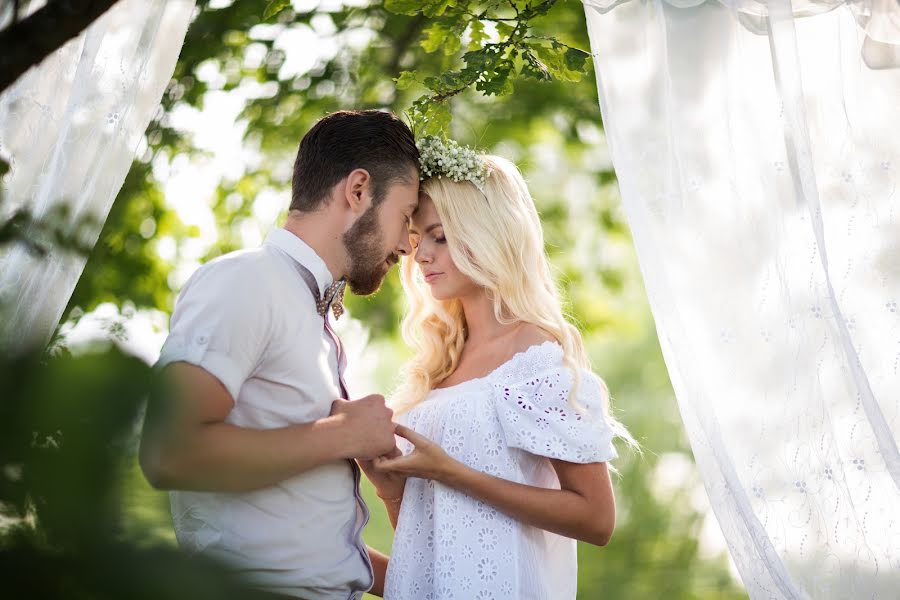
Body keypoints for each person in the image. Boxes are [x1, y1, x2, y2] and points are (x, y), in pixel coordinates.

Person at [139, 109, 420, 599]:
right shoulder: (244, 282)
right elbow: (169, 452)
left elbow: (299, 532)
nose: (407, 244)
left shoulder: (318, 316)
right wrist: (341, 435)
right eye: (405, 216)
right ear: (358, 190)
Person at [360, 139, 635, 599]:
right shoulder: (437, 368)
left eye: (440, 236)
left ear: (487, 233)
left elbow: (596, 519)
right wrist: (390, 493)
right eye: (415, 239)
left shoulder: (535, 357)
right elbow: (432, 551)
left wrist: (452, 472)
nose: (421, 254)